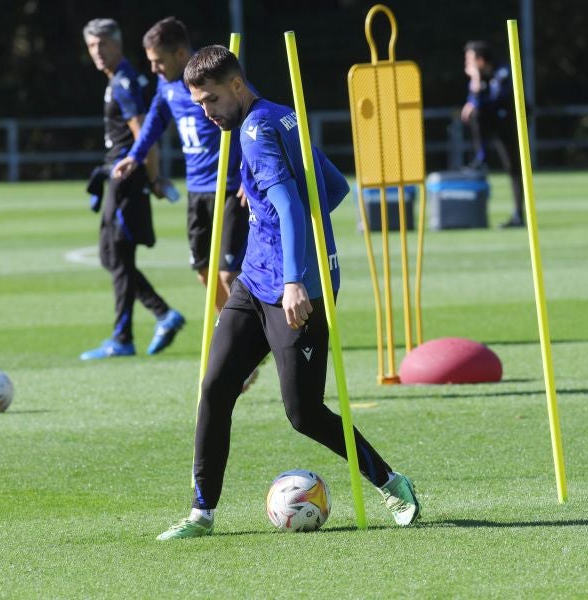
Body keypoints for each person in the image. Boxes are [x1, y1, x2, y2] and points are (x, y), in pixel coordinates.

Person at [155, 45, 421, 541]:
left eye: (211, 100)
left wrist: (297, 278)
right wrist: (260, 195)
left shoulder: (255, 134)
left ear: (237, 86)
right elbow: (335, 187)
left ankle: (390, 482)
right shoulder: (281, 116)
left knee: (304, 414)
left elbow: (295, 209)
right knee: (214, 389)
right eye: (198, 105)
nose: (206, 113)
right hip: (254, 283)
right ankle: (201, 514)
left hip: (295, 290)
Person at [111, 17, 248, 313]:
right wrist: (135, 156)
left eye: (158, 61)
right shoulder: (166, 84)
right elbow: (155, 120)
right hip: (196, 190)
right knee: (204, 273)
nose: (153, 69)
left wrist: (251, 174)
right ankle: (233, 336)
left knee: (229, 274)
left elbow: (251, 118)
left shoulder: (212, 78)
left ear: (181, 55)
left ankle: (253, 336)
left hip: (230, 189)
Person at [80, 18, 185, 360]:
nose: (97, 52)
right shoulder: (118, 80)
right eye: (92, 46)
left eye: (102, 45)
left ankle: (124, 335)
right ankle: (161, 314)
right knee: (111, 255)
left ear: (116, 44)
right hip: (119, 178)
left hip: (127, 179)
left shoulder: (124, 81)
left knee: (118, 255)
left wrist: (154, 179)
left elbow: (145, 136)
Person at [460, 40, 525, 228]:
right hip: (492, 120)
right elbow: (475, 102)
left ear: (480, 60)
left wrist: (476, 84)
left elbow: (494, 101)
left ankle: (518, 215)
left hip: (508, 122)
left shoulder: (502, 72)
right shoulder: (480, 76)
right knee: (476, 114)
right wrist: (474, 94)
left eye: (470, 60)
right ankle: (481, 158)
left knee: (514, 169)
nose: (467, 64)